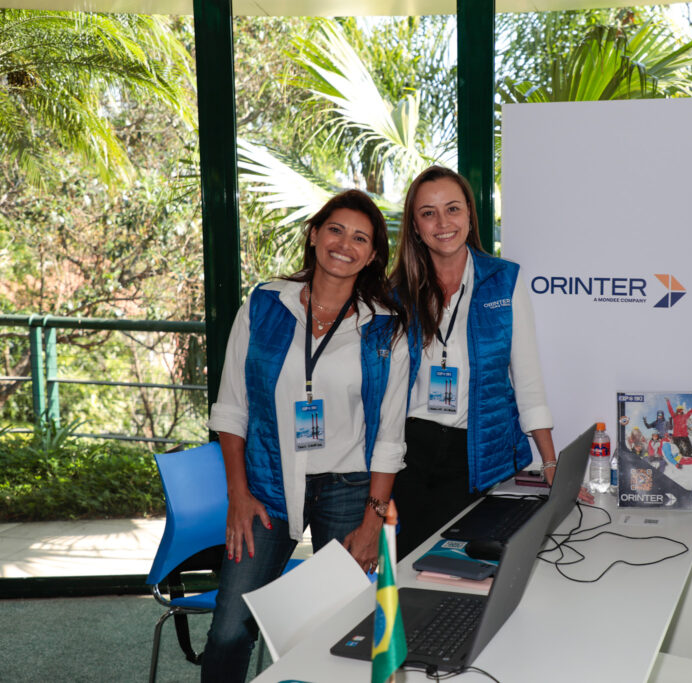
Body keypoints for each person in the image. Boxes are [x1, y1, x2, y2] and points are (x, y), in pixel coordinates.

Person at [200, 190, 409, 682]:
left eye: (361, 238)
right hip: (268, 487)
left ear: (373, 254)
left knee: (343, 631)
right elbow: (232, 409)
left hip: (350, 488)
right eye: (335, 230)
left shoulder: (385, 329)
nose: (345, 244)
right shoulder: (266, 305)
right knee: (230, 629)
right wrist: (238, 494)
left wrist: (373, 519)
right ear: (314, 235)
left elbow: (390, 438)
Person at [389, 165, 558, 559]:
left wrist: (550, 462)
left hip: (479, 453)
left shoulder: (504, 281)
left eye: (453, 209)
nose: (443, 222)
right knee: (413, 573)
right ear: (415, 226)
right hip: (410, 456)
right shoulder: (396, 294)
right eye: (428, 213)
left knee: (474, 572)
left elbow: (528, 383)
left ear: (469, 215)